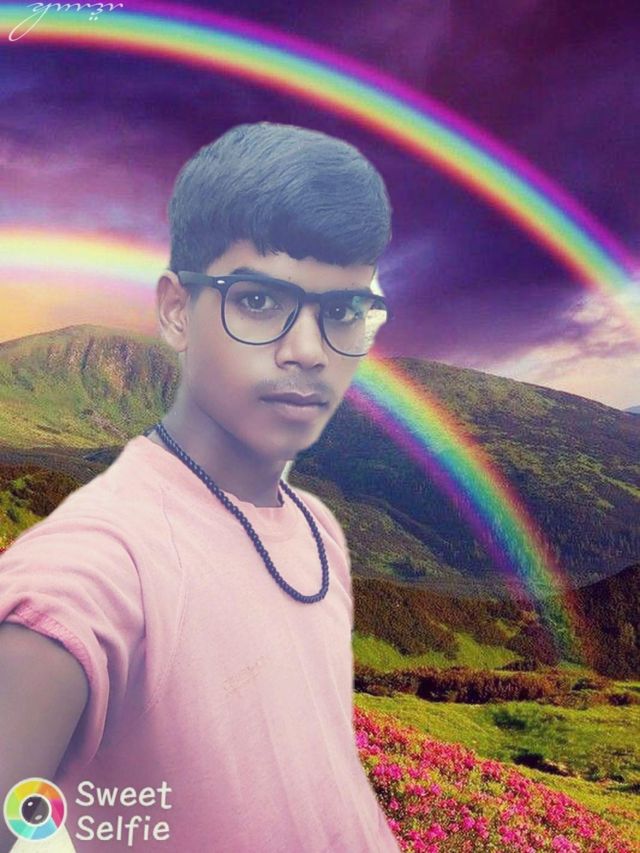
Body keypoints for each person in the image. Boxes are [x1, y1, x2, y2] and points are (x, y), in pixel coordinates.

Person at [0, 122, 400, 852]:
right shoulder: (94, 568)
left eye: (342, 311)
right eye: (260, 301)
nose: (308, 351)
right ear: (176, 310)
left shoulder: (319, 531)